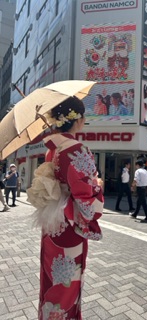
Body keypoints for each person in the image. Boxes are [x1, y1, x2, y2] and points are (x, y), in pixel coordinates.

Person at [27, 97, 104, 319]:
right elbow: (88, 203)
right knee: (67, 280)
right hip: (70, 225)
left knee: (52, 275)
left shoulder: (53, 149)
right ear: (78, 120)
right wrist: (97, 186)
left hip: (53, 223)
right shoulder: (77, 149)